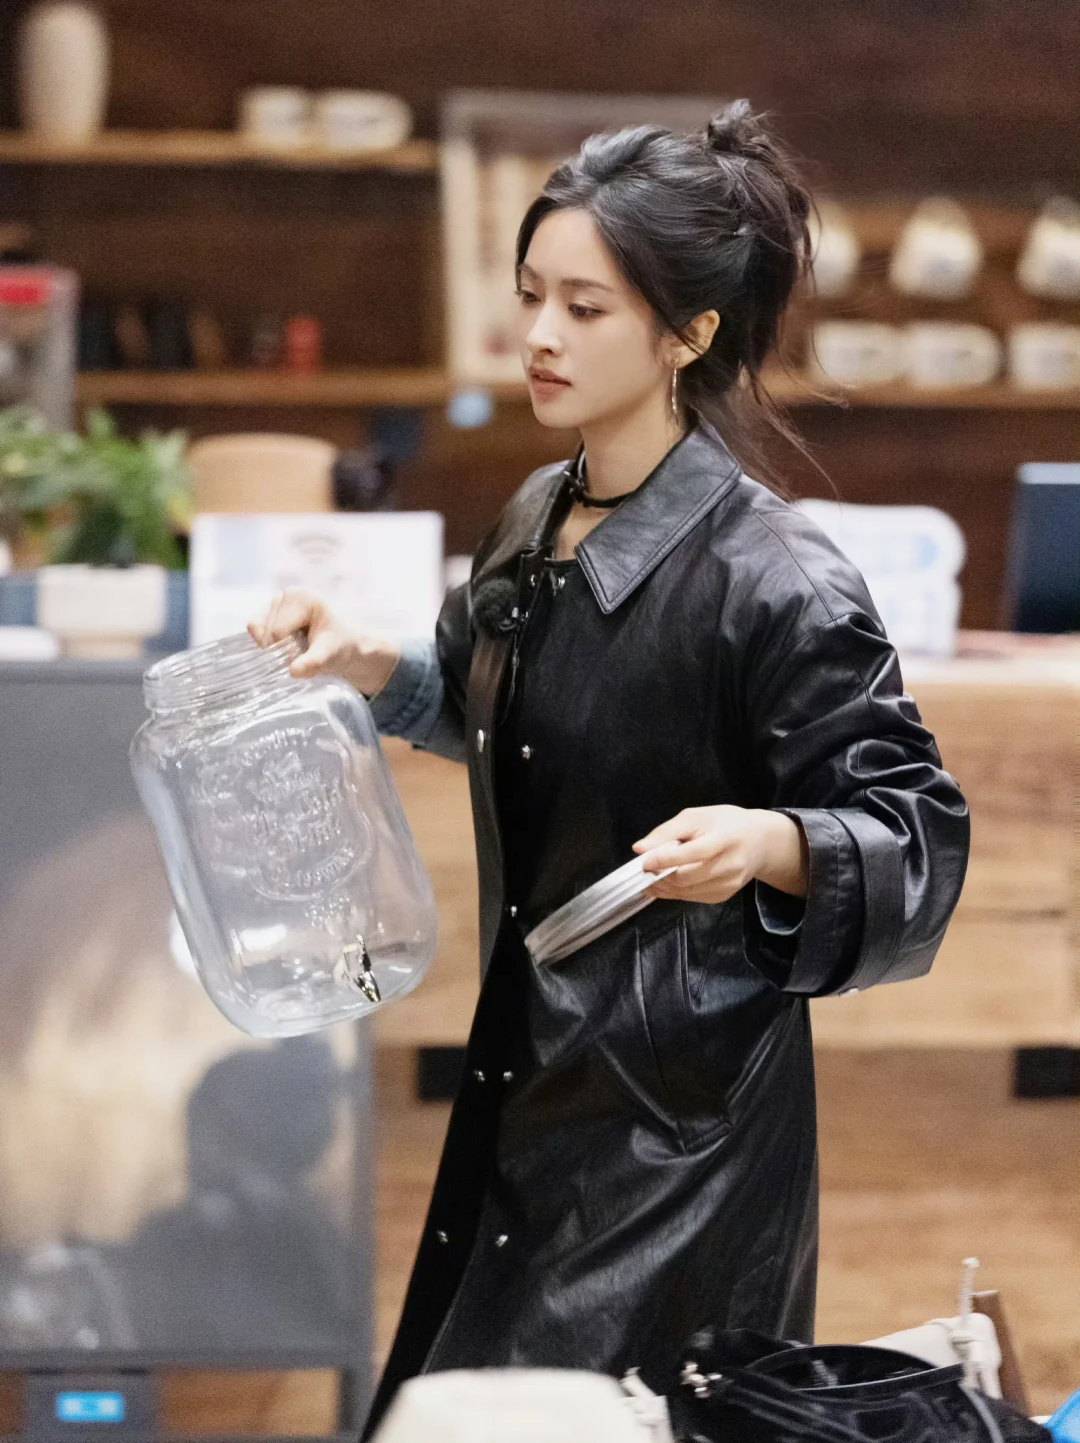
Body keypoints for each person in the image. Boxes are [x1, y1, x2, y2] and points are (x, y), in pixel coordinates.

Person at [250, 101, 970, 1437]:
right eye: (532, 295)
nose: (540, 334)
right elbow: (496, 714)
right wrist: (367, 659)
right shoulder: (535, 515)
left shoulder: (777, 578)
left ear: (688, 334)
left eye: (585, 308)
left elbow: (917, 834)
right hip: (527, 1080)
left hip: (682, 1132)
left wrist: (768, 842)